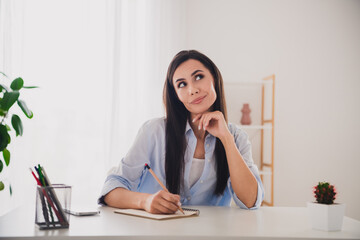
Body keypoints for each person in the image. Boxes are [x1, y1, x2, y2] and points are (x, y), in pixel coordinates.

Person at [98, 50, 264, 214]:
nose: (192, 90)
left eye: (198, 77)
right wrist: (145, 201)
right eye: (182, 84)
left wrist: (226, 139)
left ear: (214, 77)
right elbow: (110, 190)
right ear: (176, 94)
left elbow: (250, 201)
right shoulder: (153, 132)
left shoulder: (236, 137)